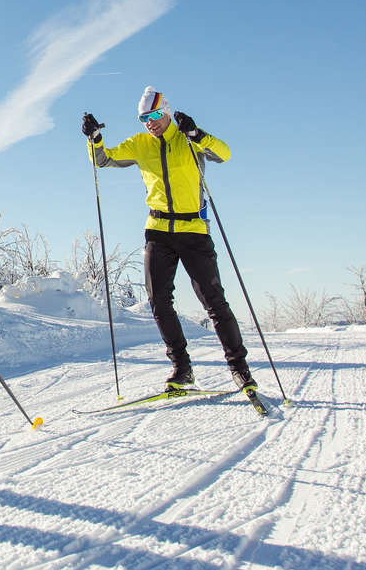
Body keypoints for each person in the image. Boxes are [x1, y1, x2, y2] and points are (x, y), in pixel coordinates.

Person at [81, 87, 258, 394]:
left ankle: (239, 369)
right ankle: (182, 368)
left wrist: (197, 133)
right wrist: (95, 138)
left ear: (165, 112)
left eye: (153, 116)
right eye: (143, 119)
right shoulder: (140, 144)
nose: (149, 123)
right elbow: (103, 159)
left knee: (213, 302)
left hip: (194, 230)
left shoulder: (187, 140)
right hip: (158, 229)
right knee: (159, 303)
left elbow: (224, 154)